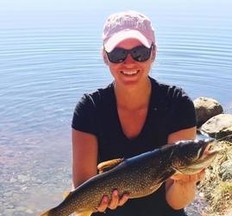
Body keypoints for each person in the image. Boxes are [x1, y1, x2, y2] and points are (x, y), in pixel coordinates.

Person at [71, 10, 205, 216]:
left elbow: (177, 202)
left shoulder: (177, 104)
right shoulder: (89, 109)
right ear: (105, 57)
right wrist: (94, 204)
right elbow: (81, 189)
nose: (129, 62)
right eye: (117, 54)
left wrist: (186, 183)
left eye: (139, 52)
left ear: (153, 53)